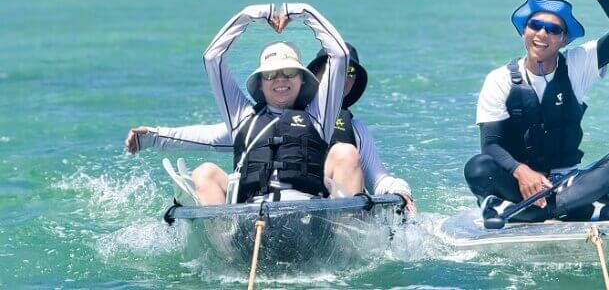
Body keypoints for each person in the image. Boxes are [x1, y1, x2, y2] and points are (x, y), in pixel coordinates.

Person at [126, 11, 414, 210]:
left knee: (345, 153)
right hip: (250, 218)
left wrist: (400, 190)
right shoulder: (248, 121)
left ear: (302, 80)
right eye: (271, 74)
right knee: (204, 173)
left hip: (319, 219)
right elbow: (208, 134)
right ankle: (221, 250)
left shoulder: (324, 121)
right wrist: (152, 137)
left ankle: (348, 238)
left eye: (289, 72)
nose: (280, 79)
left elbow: (380, 177)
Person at [464, 0, 609, 222]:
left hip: (567, 183)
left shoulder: (578, 65)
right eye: (535, 25)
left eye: (552, 29)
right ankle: (581, 208)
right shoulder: (499, 79)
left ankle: (532, 211)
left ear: (563, 39)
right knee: (478, 168)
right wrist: (522, 172)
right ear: (524, 31)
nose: (542, 34)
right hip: (519, 184)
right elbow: (491, 145)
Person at [307, 43, 416, 213]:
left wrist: (401, 189)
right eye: (335, 68)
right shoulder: (292, 117)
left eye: (350, 72)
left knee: (346, 154)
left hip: (340, 222)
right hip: (299, 210)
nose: (343, 77)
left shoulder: (356, 129)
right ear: (315, 73)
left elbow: (379, 181)